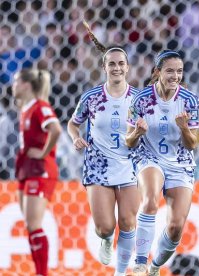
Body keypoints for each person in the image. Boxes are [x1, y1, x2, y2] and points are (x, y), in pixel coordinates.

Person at [67, 22, 139, 276]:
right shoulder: (91, 98)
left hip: (130, 165)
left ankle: (121, 271)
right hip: (98, 166)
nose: (117, 67)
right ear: (104, 68)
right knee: (105, 227)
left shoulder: (139, 100)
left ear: (127, 67)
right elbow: (72, 124)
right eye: (112, 63)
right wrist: (76, 137)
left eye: (121, 63)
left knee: (129, 222)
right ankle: (106, 240)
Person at [126, 50, 199, 276]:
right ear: (157, 72)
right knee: (150, 201)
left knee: (176, 226)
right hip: (149, 157)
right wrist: (137, 132)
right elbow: (128, 142)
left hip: (180, 162)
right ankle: (140, 263)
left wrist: (184, 128)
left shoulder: (189, 101)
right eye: (170, 71)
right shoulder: (140, 100)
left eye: (179, 71)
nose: (175, 76)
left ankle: (155, 266)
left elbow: (191, 144)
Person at [13, 68, 62, 276]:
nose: (13, 86)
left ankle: (42, 273)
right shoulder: (26, 108)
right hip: (26, 169)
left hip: (39, 170)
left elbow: (56, 129)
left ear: (25, 84)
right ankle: (39, 271)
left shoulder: (41, 107)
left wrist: (43, 153)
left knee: (34, 223)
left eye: (16, 82)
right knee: (30, 225)